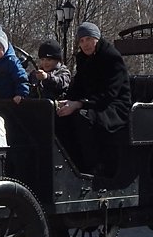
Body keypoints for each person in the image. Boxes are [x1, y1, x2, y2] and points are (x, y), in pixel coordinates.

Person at [56, 22, 130, 174]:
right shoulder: (83, 59)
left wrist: (79, 104)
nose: (85, 44)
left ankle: (94, 168)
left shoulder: (111, 57)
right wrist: (65, 102)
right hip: (93, 102)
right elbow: (78, 85)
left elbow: (109, 94)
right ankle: (70, 165)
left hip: (115, 106)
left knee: (85, 119)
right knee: (61, 117)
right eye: (82, 41)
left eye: (89, 39)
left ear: (97, 38)